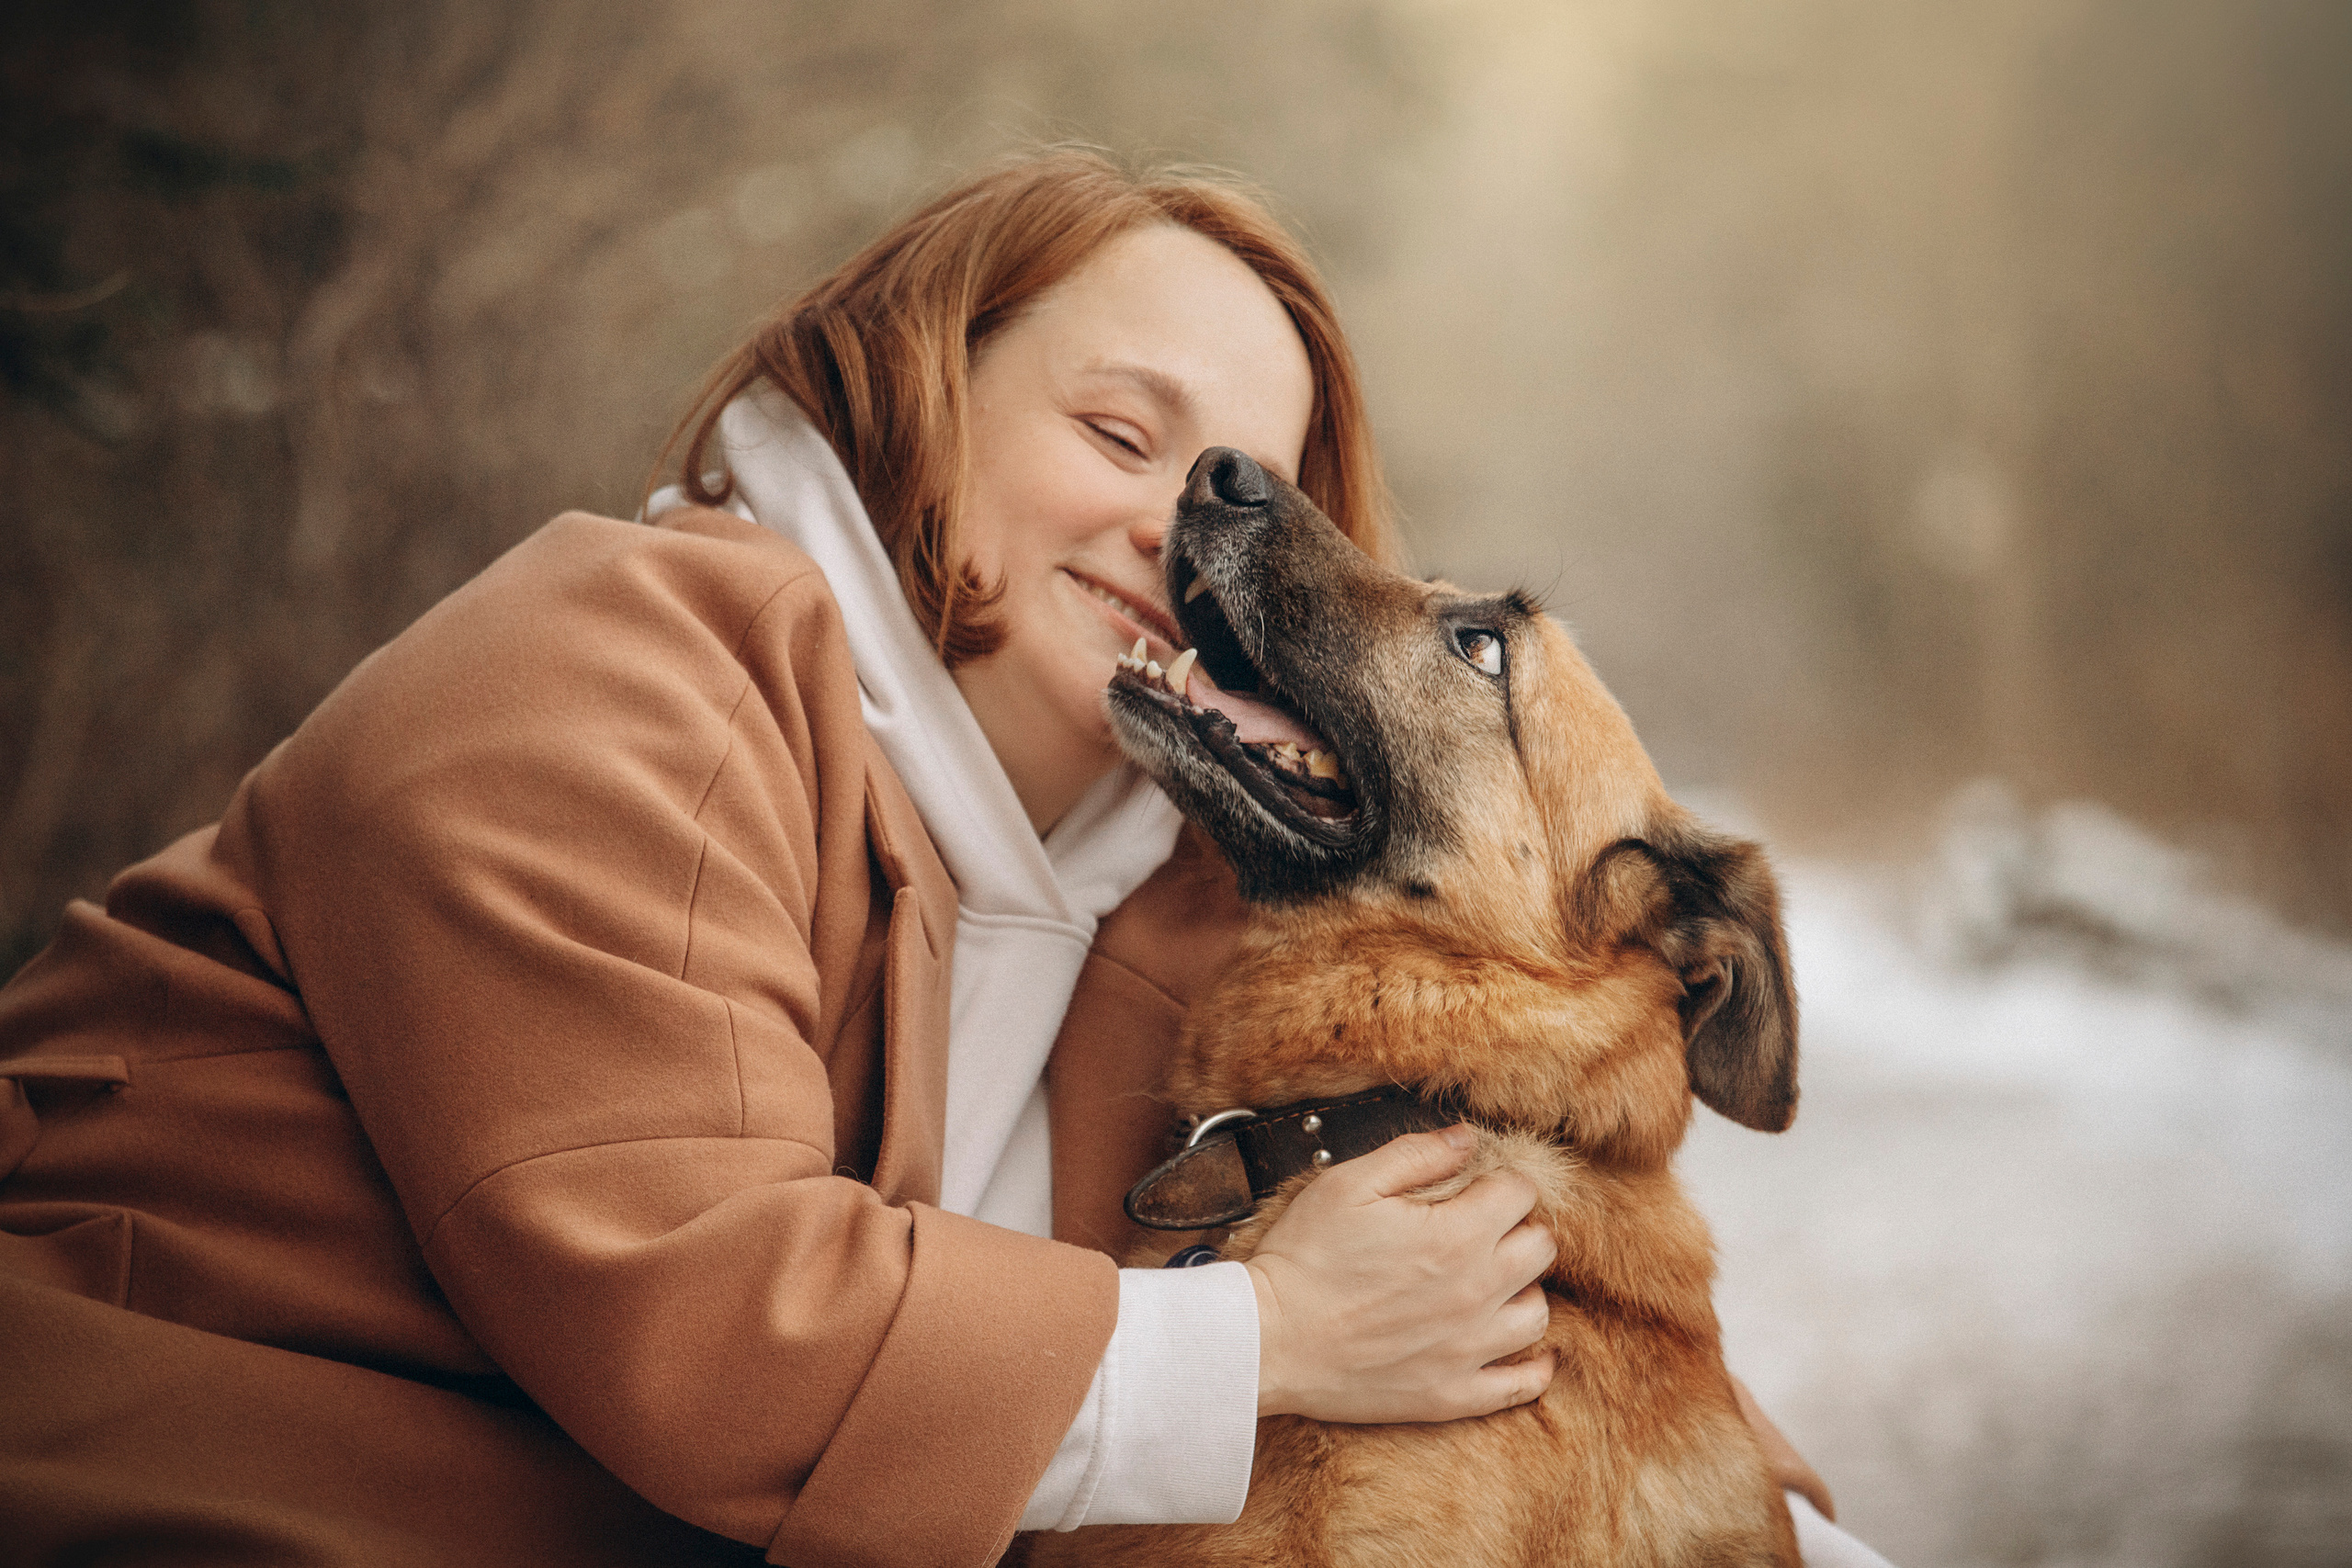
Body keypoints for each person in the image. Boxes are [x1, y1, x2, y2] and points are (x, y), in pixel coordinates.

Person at [0, 149, 1855, 1567]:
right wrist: (1265, 1335)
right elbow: (706, 1318)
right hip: (180, 1477)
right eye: (1118, 432)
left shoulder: (1181, 883)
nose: (1177, 522)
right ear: (917, 386)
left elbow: (1504, 1265)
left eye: (1239, 486)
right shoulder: (613, 666)